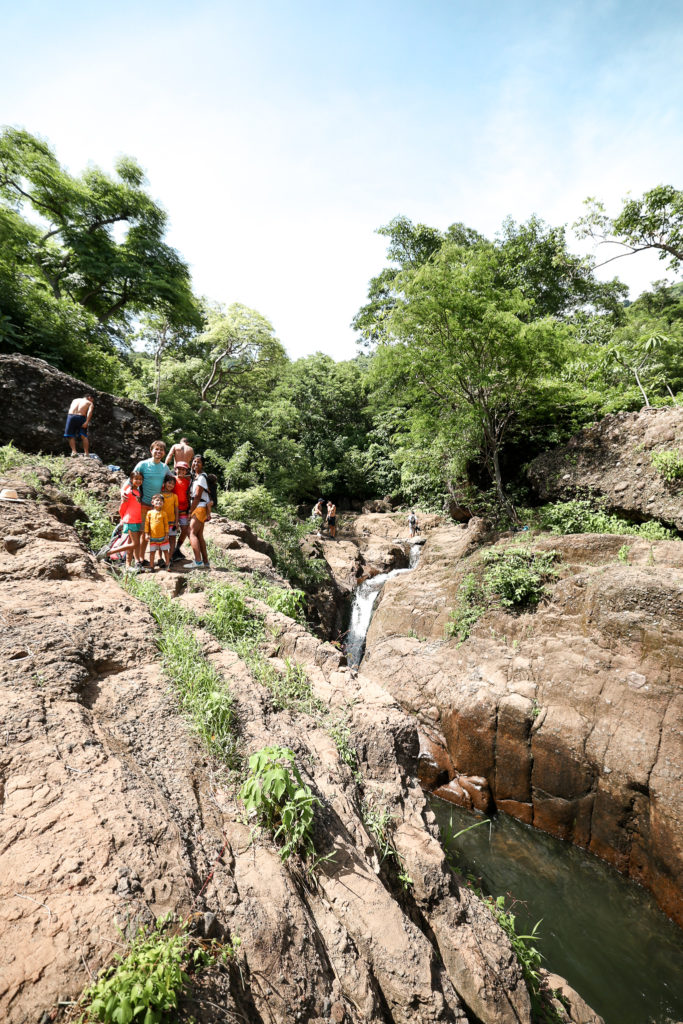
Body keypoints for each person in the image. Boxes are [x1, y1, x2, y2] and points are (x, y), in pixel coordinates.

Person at [133, 441, 173, 561]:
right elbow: (131, 479)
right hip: (142, 503)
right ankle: (136, 560)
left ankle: (141, 558)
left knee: (147, 533)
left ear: (164, 453)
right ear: (151, 450)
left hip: (155, 506)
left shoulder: (164, 467)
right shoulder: (143, 464)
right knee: (139, 533)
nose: (158, 452)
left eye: (161, 450)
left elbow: (173, 480)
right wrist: (123, 493)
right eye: (156, 449)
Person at [188, 454, 211, 569]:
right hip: (200, 507)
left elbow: (197, 496)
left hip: (199, 507)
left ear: (203, 465)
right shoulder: (196, 476)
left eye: (199, 462)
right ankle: (205, 562)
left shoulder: (201, 477)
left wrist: (189, 511)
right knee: (199, 535)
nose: (196, 464)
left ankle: (198, 562)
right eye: (194, 462)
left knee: (191, 532)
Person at [119, 469, 144, 569]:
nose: (138, 481)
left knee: (131, 543)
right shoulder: (128, 492)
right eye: (136, 479)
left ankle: (128, 565)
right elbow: (122, 507)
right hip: (130, 520)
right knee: (135, 543)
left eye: (140, 479)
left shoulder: (137, 491)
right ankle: (110, 552)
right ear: (131, 479)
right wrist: (122, 518)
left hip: (137, 520)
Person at [171, 461, 192, 562]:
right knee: (173, 531)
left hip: (184, 509)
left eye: (184, 469)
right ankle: (170, 552)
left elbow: (189, 495)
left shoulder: (188, 482)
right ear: (175, 469)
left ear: (186, 471)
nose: (181, 471)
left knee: (185, 529)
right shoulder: (172, 480)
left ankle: (177, 548)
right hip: (173, 509)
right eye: (179, 469)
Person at [144, 494, 170, 571]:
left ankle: (167, 565)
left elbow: (166, 525)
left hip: (163, 537)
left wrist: (166, 535)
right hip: (153, 537)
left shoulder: (164, 513)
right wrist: (146, 534)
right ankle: (151, 567)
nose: (159, 502)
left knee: (165, 551)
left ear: (163, 503)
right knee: (152, 552)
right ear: (152, 502)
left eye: (161, 501)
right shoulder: (149, 513)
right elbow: (147, 524)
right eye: (157, 500)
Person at [161, 476, 179, 569]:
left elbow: (176, 509)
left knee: (172, 540)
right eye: (169, 483)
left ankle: (170, 558)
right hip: (161, 523)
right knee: (161, 541)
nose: (171, 485)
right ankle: (161, 559)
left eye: (173, 484)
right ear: (164, 483)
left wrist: (176, 521)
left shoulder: (174, 496)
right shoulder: (160, 495)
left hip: (172, 522)